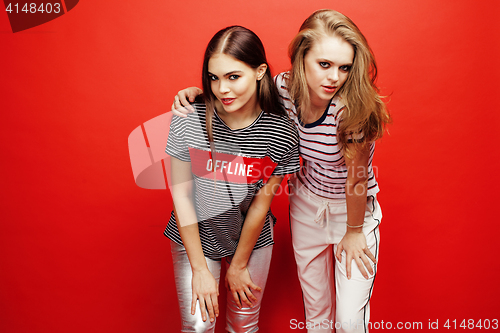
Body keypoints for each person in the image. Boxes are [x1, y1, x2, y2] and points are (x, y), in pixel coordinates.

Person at [171, 9, 391, 332]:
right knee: (316, 312)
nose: (334, 77)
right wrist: (197, 94)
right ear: (302, 58)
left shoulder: (352, 107)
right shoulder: (283, 89)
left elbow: (356, 178)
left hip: (353, 209)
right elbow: (239, 86)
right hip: (307, 205)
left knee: (348, 320)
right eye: (324, 64)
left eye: (344, 67)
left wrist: (355, 230)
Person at [165, 25, 300, 333]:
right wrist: (199, 269)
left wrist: (238, 265)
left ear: (259, 71)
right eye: (214, 77)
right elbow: (182, 195)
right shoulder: (188, 118)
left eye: (233, 77)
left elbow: (259, 206)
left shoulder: (280, 133)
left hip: (250, 240)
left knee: (243, 326)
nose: (222, 89)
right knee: (198, 326)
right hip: (196, 237)